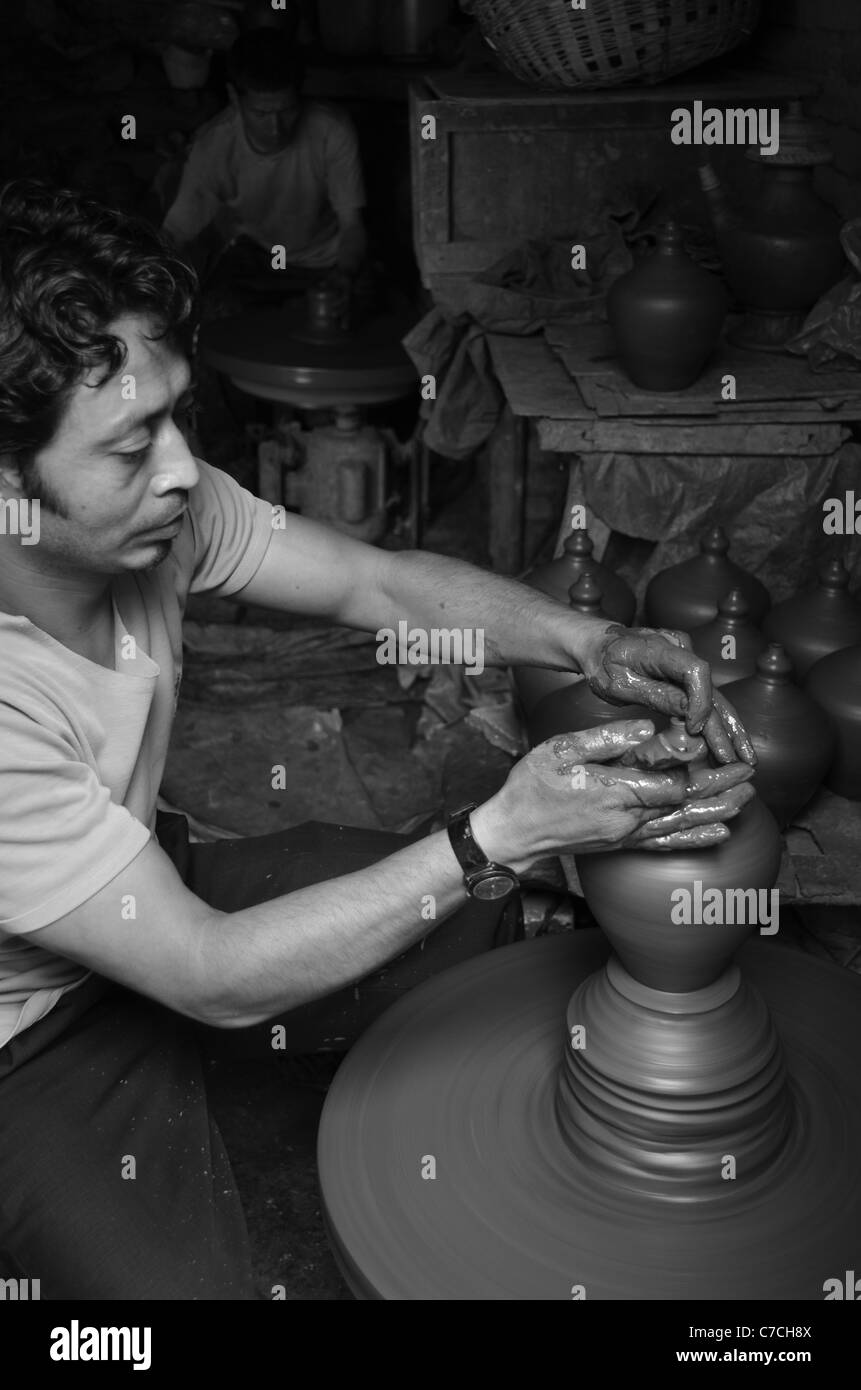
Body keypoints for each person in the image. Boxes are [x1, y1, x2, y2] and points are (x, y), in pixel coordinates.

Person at [0, 181, 756, 1300]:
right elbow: (208, 973)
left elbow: (376, 577)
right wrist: (497, 828)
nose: (177, 468)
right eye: (126, 446)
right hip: (28, 1038)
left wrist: (585, 638)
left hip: (145, 881)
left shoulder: (157, 509)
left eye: (175, 414)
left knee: (487, 923)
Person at [162, 30, 367, 301]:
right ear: (234, 97)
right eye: (261, 114)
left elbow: (352, 224)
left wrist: (344, 274)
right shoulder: (213, 146)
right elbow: (176, 232)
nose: (275, 129)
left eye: (287, 110)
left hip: (328, 261)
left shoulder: (331, 129)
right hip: (259, 258)